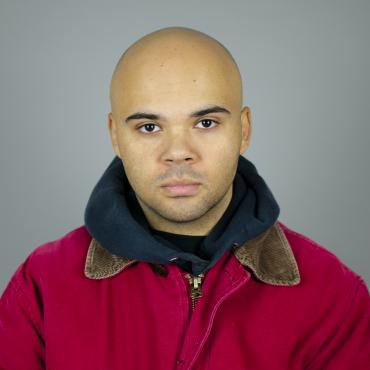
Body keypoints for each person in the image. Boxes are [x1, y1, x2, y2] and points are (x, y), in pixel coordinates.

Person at [0, 26, 369, 370]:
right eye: (149, 127)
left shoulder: (333, 297)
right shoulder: (42, 286)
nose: (178, 152)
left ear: (244, 130)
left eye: (206, 123)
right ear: (115, 136)